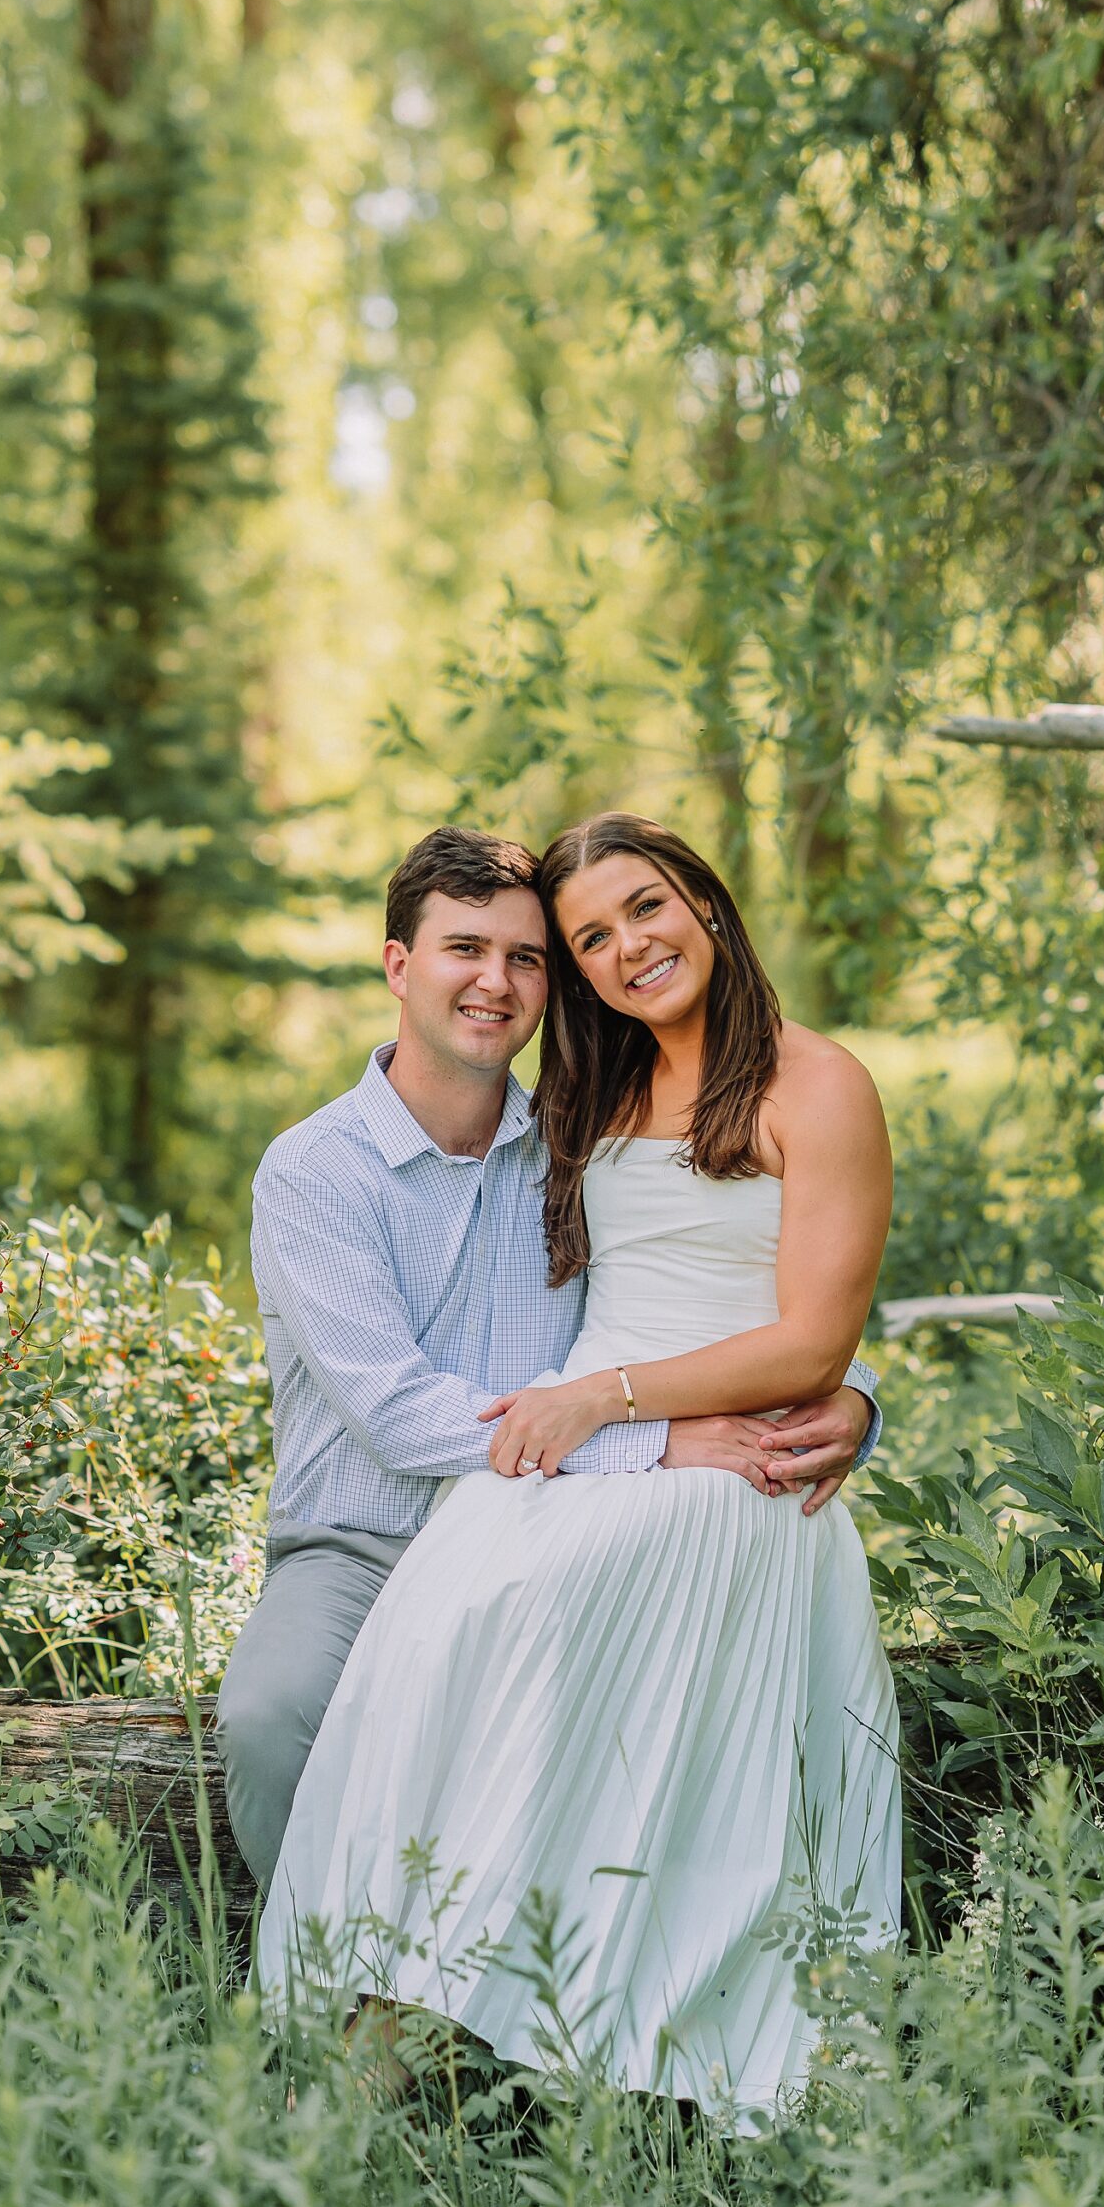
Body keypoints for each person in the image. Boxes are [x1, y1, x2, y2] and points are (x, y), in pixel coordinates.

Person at [250, 814, 900, 2123]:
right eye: (587, 937)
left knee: (519, 1623)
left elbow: (781, 1312)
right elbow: (413, 1411)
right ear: (399, 965)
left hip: (607, 1474)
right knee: (358, 1679)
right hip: (456, 1497)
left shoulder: (679, 1103)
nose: (618, 950)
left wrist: (847, 1403)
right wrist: (640, 1429)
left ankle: (508, 2014)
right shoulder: (384, 1153)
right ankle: (365, 2002)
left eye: (630, 917)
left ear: (704, 907)